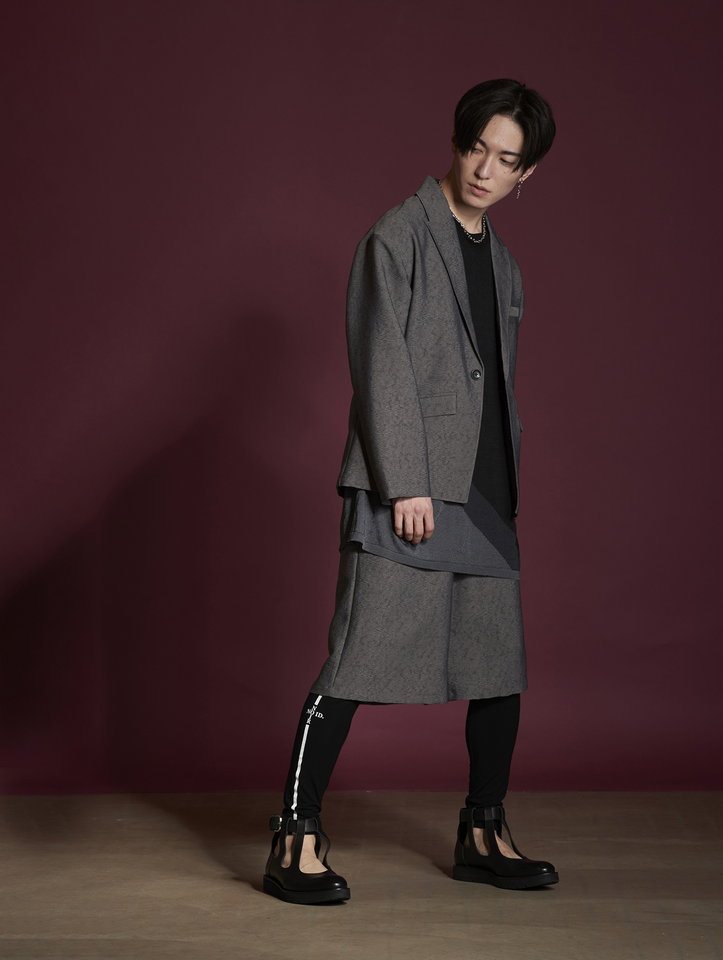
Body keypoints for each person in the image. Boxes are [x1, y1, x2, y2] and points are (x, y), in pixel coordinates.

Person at [262, 78, 558, 905]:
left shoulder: (505, 264)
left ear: (526, 174)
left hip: (486, 495)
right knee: (356, 661)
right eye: (477, 148)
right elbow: (380, 361)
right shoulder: (398, 235)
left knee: (498, 672)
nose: (485, 170)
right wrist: (406, 483)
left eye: (506, 160)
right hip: (411, 491)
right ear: (457, 142)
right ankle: (294, 838)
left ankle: (483, 833)